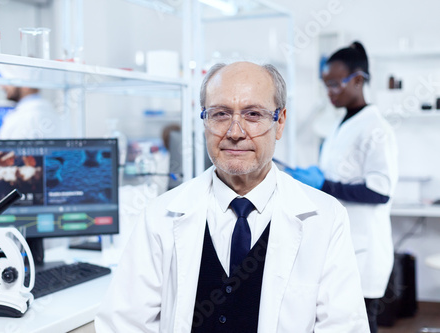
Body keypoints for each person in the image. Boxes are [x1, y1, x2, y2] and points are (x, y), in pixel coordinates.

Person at [95, 61, 369, 332]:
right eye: (220, 114)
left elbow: (343, 327)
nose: (235, 132)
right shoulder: (160, 215)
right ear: (204, 120)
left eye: (253, 114)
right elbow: (123, 324)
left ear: (280, 122)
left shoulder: (325, 219)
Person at [286, 42, 398, 333]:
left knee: (360, 325)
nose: (330, 92)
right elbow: (342, 177)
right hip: (343, 245)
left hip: (365, 251)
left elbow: (379, 191)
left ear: (358, 80)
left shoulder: (376, 128)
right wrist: (319, 178)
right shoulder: (342, 124)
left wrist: (325, 184)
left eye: (335, 84)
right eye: (326, 85)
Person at [0, 85, 68, 139]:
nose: (2, 87)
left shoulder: (23, 118)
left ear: (26, 86)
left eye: (9, 81)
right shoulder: (53, 113)